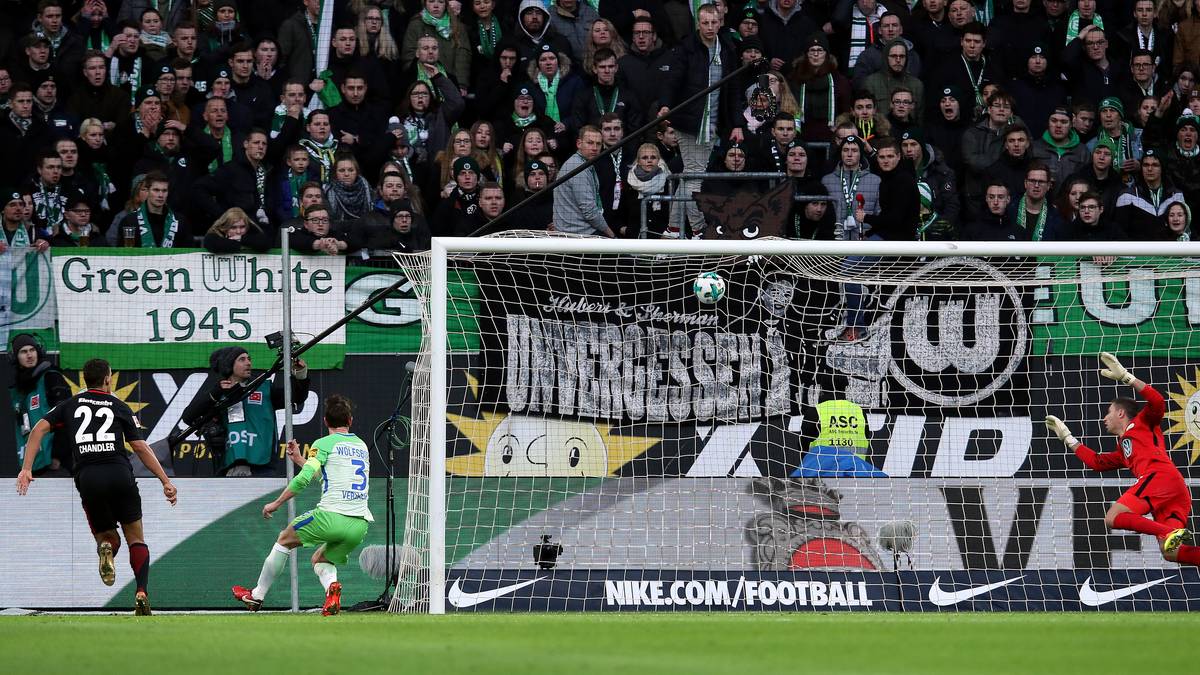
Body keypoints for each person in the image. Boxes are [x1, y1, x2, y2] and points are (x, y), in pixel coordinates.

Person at [16, 358, 178, 616]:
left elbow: (37, 430)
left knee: (107, 537)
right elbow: (139, 447)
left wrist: (26, 468)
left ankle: (107, 549)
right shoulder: (119, 406)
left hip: (88, 477)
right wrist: (165, 480)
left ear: (85, 380)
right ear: (107, 379)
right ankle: (141, 592)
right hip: (119, 474)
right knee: (136, 538)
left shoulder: (69, 405)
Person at [1046, 353, 1200, 568]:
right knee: (1171, 552)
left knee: (1113, 517)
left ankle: (1169, 531)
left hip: (1160, 478)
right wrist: (1068, 439)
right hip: (1174, 490)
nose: (1104, 418)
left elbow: (1157, 401)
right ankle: (1175, 537)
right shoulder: (1125, 448)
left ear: (1120, 413)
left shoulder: (1143, 422)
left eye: (1108, 413)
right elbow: (1097, 463)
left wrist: (1127, 378)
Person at [233, 395, 371, 616]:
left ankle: (257, 596)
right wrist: (298, 459)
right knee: (320, 559)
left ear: (325, 421)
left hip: (330, 517)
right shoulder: (361, 446)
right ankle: (331, 591)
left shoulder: (323, 444)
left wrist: (276, 503)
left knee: (284, 540)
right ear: (350, 421)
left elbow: (305, 478)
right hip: (359, 524)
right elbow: (327, 475)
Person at [181, 346, 310, 477]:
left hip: (262, 464)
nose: (248, 363)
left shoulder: (264, 387)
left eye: (249, 359)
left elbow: (297, 397)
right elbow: (188, 416)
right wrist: (216, 393)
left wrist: (300, 374)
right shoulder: (218, 391)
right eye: (242, 359)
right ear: (229, 364)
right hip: (227, 464)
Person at [9, 333, 72, 476]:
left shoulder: (52, 377)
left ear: (39, 352)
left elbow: (67, 417)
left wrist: (57, 455)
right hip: (34, 463)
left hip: (57, 464)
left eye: (32, 350)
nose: (29, 355)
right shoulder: (18, 390)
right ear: (15, 357)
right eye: (23, 352)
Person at [553, 126, 614, 237]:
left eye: (598, 144)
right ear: (579, 144)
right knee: (621, 252)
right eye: (590, 143)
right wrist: (611, 235)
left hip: (576, 231)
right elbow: (589, 211)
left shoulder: (582, 163)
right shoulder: (577, 166)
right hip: (578, 235)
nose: (595, 148)